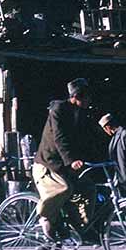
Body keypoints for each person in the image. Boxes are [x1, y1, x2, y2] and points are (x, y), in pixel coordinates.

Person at [33, 78, 100, 240]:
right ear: (76, 97)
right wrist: (71, 160)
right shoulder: (58, 110)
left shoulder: (81, 113)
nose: (89, 101)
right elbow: (59, 138)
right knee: (65, 188)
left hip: (66, 165)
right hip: (49, 163)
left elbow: (85, 139)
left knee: (88, 188)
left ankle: (81, 225)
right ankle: (44, 216)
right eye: (86, 97)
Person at [100, 113, 126, 196]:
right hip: (120, 180)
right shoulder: (114, 137)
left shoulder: (125, 135)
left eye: (104, 129)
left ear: (107, 127)